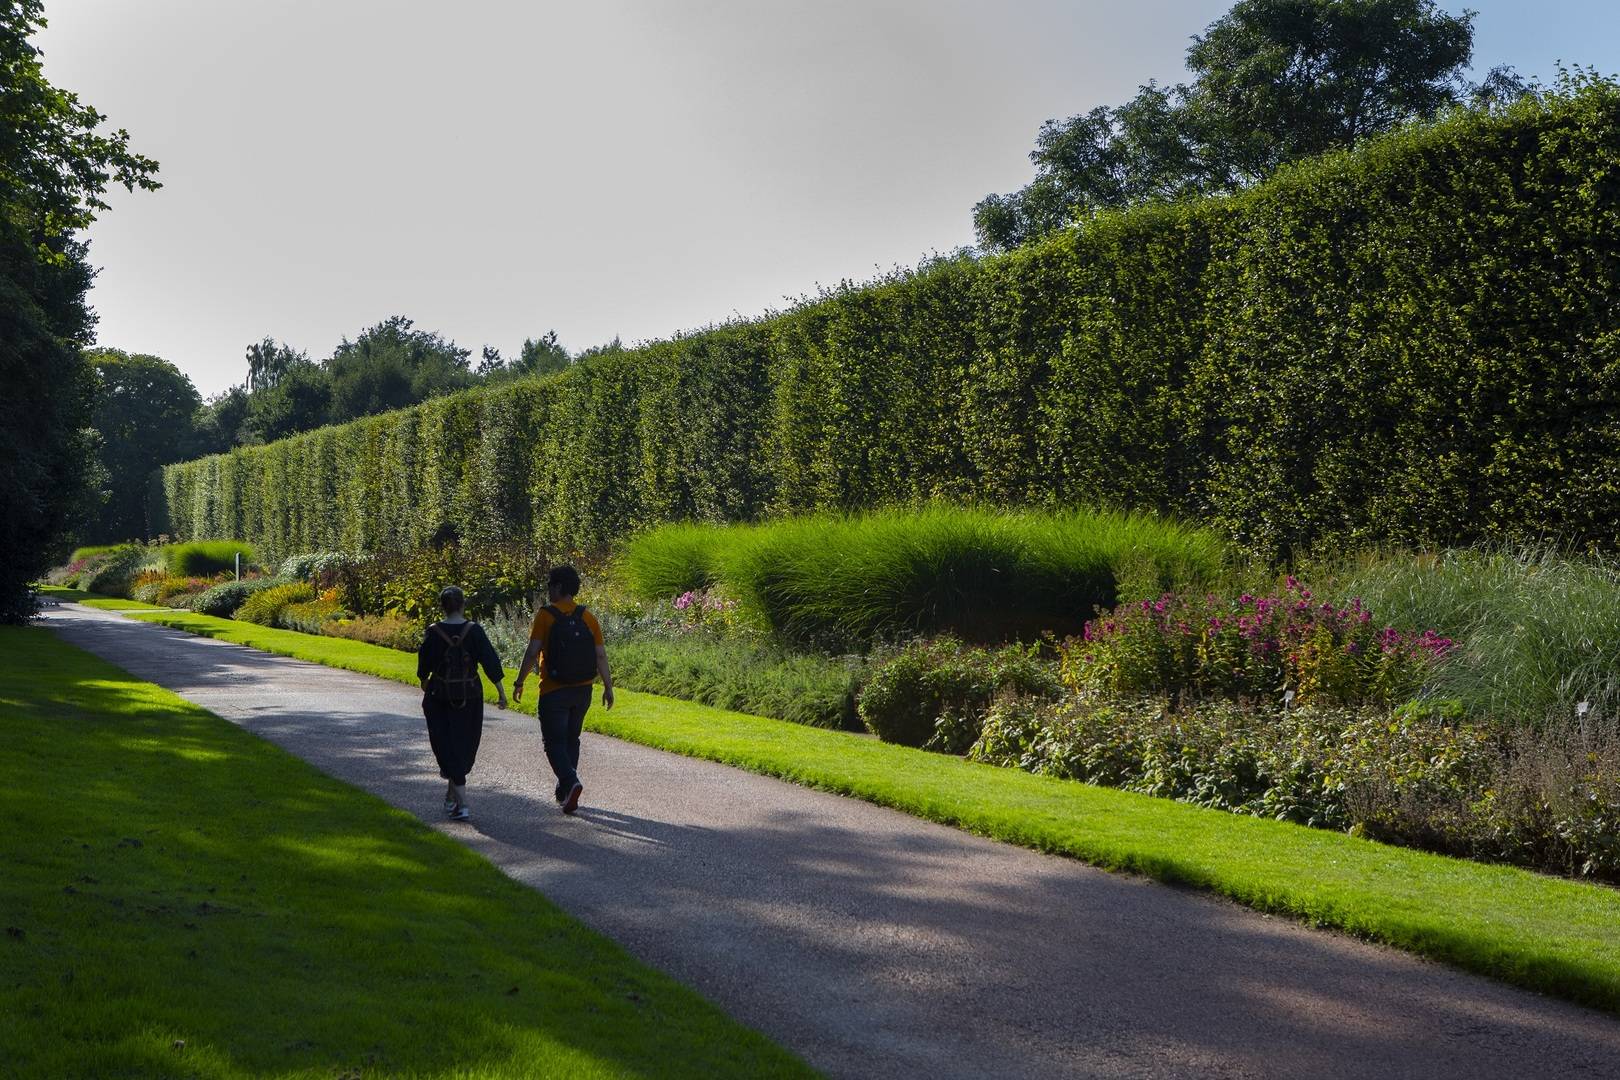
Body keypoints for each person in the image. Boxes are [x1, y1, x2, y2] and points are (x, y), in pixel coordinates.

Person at [513, 564, 613, 814]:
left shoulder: (546, 616)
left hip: (553, 689)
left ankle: (570, 782)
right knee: (571, 739)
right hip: (583, 690)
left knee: (553, 741)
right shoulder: (588, 617)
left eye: (549, 585)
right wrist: (608, 687)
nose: (548, 590)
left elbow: (533, 652)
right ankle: (565, 789)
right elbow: (600, 655)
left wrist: (519, 680)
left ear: (558, 587)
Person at [417, 585, 506, 821]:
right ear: (463, 604)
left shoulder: (434, 632)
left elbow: (423, 664)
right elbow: (490, 661)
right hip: (470, 696)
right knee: (464, 745)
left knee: (444, 745)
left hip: (439, 696)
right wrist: (501, 692)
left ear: (442, 607)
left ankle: (462, 803)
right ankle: (454, 798)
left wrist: (424, 680)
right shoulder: (474, 631)